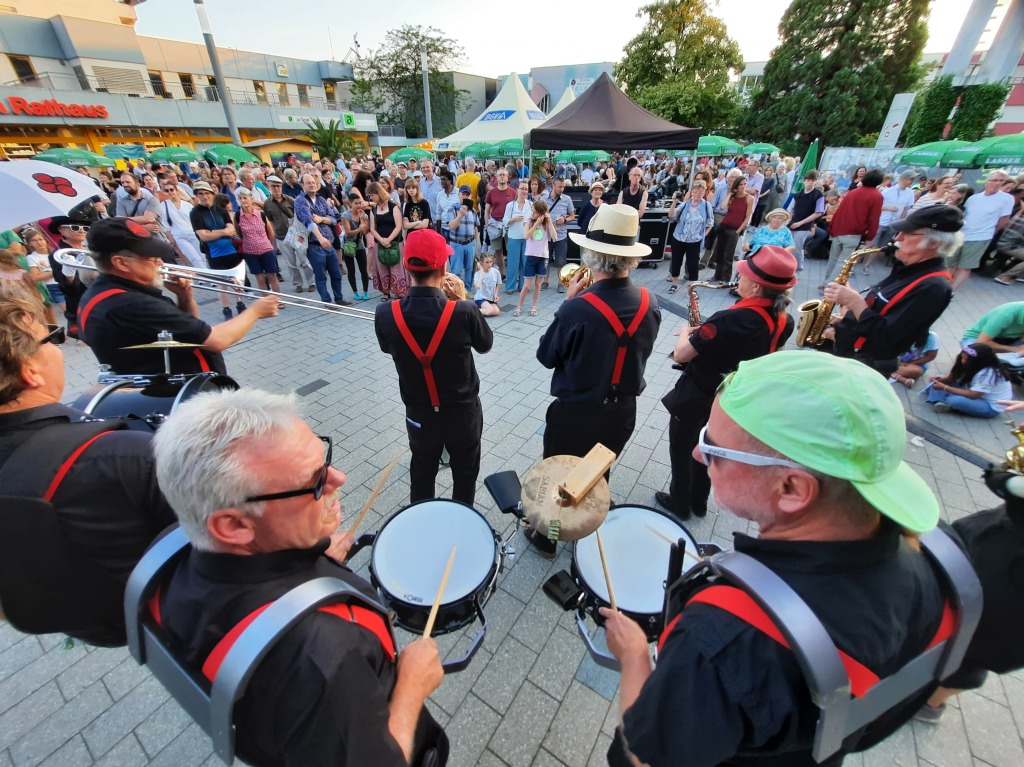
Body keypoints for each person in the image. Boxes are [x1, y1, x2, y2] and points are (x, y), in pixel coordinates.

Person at [604, 350, 950, 767]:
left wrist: (635, 655)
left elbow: (647, 757)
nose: (698, 456)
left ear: (792, 489)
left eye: (712, 447)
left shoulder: (719, 641)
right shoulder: (928, 563)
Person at [150, 389, 449, 766]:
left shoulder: (170, 556)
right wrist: (411, 685)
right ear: (234, 525)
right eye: (313, 482)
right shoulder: (323, 656)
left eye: (324, 458)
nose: (337, 478)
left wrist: (305, 563)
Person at [0, 297, 176, 645]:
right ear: (29, 370)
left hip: (86, 624)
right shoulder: (124, 456)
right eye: (50, 338)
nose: (58, 348)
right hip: (167, 617)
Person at [657, 246, 796, 520]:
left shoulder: (729, 319)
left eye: (742, 274)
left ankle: (680, 503)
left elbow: (683, 353)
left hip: (699, 396)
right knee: (711, 448)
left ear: (755, 287)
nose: (737, 277)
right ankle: (699, 501)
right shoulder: (784, 320)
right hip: (734, 399)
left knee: (683, 449)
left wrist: (685, 333)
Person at [374, 229, 493, 505]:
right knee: (465, 475)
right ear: (443, 267)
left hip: (420, 415)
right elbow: (485, 344)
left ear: (406, 267)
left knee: (422, 472)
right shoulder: (463, 311)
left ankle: (422, 525)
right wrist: (463, 300)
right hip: (463, 415)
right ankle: (460, 525)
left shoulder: (385, 313)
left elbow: (386, 347)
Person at [537, 204, 661, 463]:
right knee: (596, 478)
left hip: (576, 415)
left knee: (559, 480)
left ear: (591, 253)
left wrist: (568, 302)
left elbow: (546, 356)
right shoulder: (649, 302)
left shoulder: (577, 309)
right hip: (622, 415)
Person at [78, 218, 278, 375]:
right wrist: (254, 311)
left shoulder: (102, 293)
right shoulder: (130, 303)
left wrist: (185, 297)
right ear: (121, 263)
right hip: (179, 400)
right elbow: (216, 340)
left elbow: (186, 335)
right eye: (152, 258)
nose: (160, 263)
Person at [829, 205, 962, 377]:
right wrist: (849, 314)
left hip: (864, 366)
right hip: (852, 354)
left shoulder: (934, 287)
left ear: (934, 243)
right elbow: (881, 312)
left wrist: (854, 302)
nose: (898, 237)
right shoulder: (908, 269)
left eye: (908, 233)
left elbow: (886, 338)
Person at [950, 169, 1015, 291]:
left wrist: (992, 231)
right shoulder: (974, 198)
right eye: (994, 180)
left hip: (980, 237)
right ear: (987, 181)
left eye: (1001, 181)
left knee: (965, 266)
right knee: (951, 263)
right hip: (961, 233)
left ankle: (951, 290)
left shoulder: (1006, 198)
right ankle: (945, 286)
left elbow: (1004, 219)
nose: (997, 183)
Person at [819, 169, 884, 287]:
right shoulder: (876, 196)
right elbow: (874, 218)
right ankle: (828, 284)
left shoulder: (853, 192)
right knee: (843, 261)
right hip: (853, 233)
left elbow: (839, 211)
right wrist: (871, 236)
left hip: (838, 230)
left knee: (833, 259)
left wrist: (832, 228)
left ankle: (826, 282)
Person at [295, 173, 350, 307]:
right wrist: (320, 238)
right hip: (314, 245)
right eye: (308, 182)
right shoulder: (300, 200)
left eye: (313, 182)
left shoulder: (321, 200)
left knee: (336, 274)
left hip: (329, 244)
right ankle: (327, 301)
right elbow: (308, 221)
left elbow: (333, 218)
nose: (312, 184)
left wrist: (321, 219)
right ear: (302, 185)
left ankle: (339, 298)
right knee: (321, 277)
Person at [926, 342, 1015, 418]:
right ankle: (940, 401)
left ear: (978, 361)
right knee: (940, 378)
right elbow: (953, 377)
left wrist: (945, 388)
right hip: (970, 389)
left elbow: (974, 395)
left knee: (954, 400)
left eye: (966, 359)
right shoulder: (973, 365)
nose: (963, 361)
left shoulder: (988, 373)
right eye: (962, 358)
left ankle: (946, 402)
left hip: (989, 405)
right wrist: (941, 379)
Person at [264, 175, 315, 294]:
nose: (276, 189)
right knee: (291, 263)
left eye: (278, 186)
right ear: (269, 187)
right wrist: (273, 236)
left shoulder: (290, 200)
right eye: (273, 186)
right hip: (281, 236)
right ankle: (298, 284)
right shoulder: (267, 203)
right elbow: (270, 220)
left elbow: (299, 216)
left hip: (296, 234)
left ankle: (311, 282)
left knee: (304, 260)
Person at [863, 169, 917, 274]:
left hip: (894, 224)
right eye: (911, 179)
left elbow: (906, 209)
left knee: (879, 247)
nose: (912, 181)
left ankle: (867, 266)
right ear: (904, 179)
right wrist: (889, 208)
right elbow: (876, 207)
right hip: (881, 222)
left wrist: (902, 222)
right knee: (869, 244)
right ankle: (853, 264)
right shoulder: (888, 191)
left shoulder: (910, 193)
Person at [667, 182, 714, 292]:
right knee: (676, 262)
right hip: (679, 238)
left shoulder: (707, 206)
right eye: (696, 190)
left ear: (704, 192)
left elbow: (710, 223)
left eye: (700, 191)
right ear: (691, 191)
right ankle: (674, 284)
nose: (698, 193)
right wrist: (674, 202)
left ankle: (692, 287)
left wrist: (703, 235)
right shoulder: (685, 204)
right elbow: (671, 216)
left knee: (693, 264)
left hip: (694, 241)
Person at [515, 199, 557, 318]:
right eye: (532, 211)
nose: (532, 213)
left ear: (541, 213)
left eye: (534, 211)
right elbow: (526, 236)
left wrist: (549, 221)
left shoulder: (546, 222)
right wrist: (537, 224)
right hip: (531, 255)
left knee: (538, 284)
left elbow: (554, 236)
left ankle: (534, 306)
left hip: (543, 256)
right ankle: (519, 305)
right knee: (527, 284)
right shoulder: (528, 220)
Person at [234, 188, 281, 294]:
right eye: (240, 198)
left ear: (251, 199)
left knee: (272, 276)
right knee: (259, 278)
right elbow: (239, 233)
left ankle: (277, 299)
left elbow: (271, 233)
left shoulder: (261, 214)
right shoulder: (238, 216)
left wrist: (269, 245)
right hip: (250, 252)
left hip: (266, 249)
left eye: (245, 198)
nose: (243, 201)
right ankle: (266, 300)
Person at [368, 181, 408, 301]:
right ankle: (385, 292)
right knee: (382, 268)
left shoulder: (393, 206)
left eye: (371, 195)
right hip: (379, 243)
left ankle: (399, 292)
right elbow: (372, 228)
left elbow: (398, 225)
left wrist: (389, 239)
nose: (370, 198)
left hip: (395, 242)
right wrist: (381, 240)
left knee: (397, 268)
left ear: (378, 193)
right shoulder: (373, 209)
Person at [711, 176, 754, 284]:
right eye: (740, 184)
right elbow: (722, 207)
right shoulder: (732, 196)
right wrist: (730, 193)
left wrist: (739, 230)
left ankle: (725, 278)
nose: (743, 186)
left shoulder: (749, 198)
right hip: (724, 225)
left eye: (745, 184)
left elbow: (748, 216)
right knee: (719, 252)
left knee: (728, 255)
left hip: (735, 228)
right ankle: (717, 275)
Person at [158, 177, 206, 269]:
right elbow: (165, 225)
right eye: (167, 190)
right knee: (194, 258)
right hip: (179, 236)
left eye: (171, 189)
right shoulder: (164, 205)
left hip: (192, 233)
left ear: (176, 190)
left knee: (202, 257)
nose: (170, 192)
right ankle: (209, 278)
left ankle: (205, 277)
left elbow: (195, 220)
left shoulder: (187, 205)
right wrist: (170, 238)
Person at [539, 178, 576, 292]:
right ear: (553, 186)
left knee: (561, 260)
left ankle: (560, 283)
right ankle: (545, 281)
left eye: (563, 187)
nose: (562, 189)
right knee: (546, 259)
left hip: (561, 235)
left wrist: (565, 220)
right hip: (546, 235)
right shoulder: (544, 198)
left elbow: (572, 215)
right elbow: (538, 214)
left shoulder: (567, 199)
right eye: (559, 186)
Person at [446, 184, 479, 288]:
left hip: (470, 243)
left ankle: (468, 290)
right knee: (457, 270)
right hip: (457, 244)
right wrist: (460, 215)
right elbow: (451, 226)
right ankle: (456, 291)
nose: (465, 196)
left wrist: (476, 245)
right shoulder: (452, 209)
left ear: (470, 196)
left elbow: (476, 228)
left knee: (469, 269)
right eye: (463, 194)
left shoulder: (473, 211)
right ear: (459, 195)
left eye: (467, 195)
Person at [501, 180, 531, 295]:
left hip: (526, 237)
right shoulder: (510, 205)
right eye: (522, 188)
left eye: (526, 189)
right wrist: (514, 219)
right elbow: (504, 221)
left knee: (525, 262)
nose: (524, 191)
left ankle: (523, 286)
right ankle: (510, 286)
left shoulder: (530, 205)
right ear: (517, 190)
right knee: (513, 263)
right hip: (513, 237)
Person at [340, 193, 372, 301]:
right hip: (348, 245)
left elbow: (365, 232)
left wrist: (363, 220)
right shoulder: (345, 216)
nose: (359, 205)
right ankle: (355, 292)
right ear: (350, 203)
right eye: (356, 203)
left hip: (360, 245)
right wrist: (359, 229)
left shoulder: (364, 215)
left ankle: (366, 291)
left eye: (360, 203)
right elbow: (348, 232)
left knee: (363, 269)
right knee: (351, 270)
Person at [484, 169, 515, 274]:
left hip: (509, 225)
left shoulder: (513, 192)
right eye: (500, 175)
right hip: (495, 224)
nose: (502, 177)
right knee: (498, 251)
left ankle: (511, 273)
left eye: (504, 175)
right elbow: (487, 210)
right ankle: (502, 273)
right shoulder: (491, 193)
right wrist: (487, 226)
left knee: (511, 251)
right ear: (496, 177)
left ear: (508, 177)